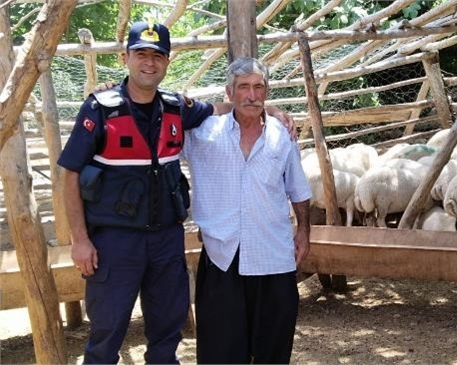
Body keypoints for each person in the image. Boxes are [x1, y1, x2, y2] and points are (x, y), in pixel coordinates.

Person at [58, 22, 293, 364]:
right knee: (106, 335)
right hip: (115, 241)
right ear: (126, 57)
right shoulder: (101, 108)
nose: (149, 63)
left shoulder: (175, 108)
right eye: (141, 54)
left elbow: (223, 107)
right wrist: (79, 239)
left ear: (167, 61)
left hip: (166, 241)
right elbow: (70, 173)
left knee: (167, 332)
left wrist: (266, 109)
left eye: (157, 55)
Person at [182, 57, 311, 364]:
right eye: (243, 87)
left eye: (258, 87)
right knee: (221, 352)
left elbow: (298, 189)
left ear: (267, 92)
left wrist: (304, 230)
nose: (252, 95)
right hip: (222, 257)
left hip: (273, 256)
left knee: (273, 349)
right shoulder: (203, 134)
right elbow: (161, 113)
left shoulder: (282, 135)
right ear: (230, 93)